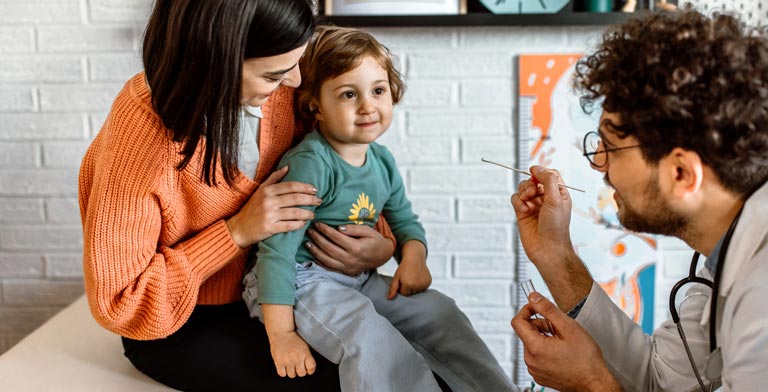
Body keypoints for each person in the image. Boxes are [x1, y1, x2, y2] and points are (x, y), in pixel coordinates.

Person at [78, 1, 402, 390]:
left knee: (412, 359)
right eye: (275, 74)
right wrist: (237, 231)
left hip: (284, 292)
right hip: (181, 323)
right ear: (216, 62)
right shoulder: (142, 138)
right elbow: (122, 302)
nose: (297, 81)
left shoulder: (283, 85)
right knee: (356, 377)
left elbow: (342, 166)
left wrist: (382, 245)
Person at [241, 26, 516, 392]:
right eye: (349, 94)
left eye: (378, 90)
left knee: (441, 312)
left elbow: (405, 222)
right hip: (298, 282)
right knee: (370, 336)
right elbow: (276, 253)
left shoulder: (382, 162)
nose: (368, 106)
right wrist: (283, 335)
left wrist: (413, 258)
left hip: (358, 280)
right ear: (315, 107)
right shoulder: (312, 163)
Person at [510, 9, 768, 392]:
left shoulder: (761, 302)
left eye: (612, 147)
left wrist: (591, 384)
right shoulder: (728, 256)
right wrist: (555, 255)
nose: (598, 163)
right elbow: (657, 379)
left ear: (682, 173)